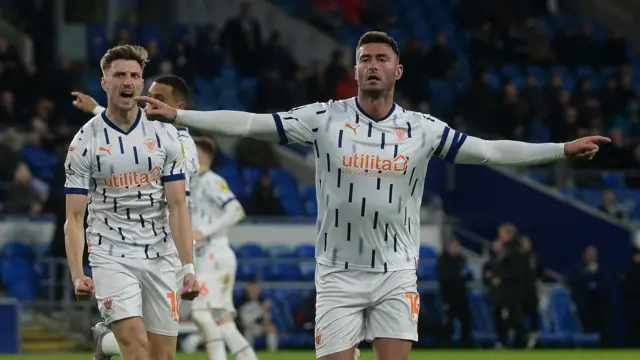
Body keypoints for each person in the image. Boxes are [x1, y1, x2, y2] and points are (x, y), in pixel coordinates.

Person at [134, 31, 610, 360]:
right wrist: (181, 117)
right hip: (338, 273)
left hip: (396, 272)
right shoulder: (324, 118)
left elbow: (487, 152)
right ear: (355, 70)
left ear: (398, 70)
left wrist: (560, 149)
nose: (373, 66)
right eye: (365, 59)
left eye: (382, 59)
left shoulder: (423, 129)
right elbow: (253, 124)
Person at [63, 45, 200, 360]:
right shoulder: (84, 143)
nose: (128, 81)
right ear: (104, 82)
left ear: (141, 83)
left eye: (135, 76)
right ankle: (115, 340)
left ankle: (106, 342)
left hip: (160, 255)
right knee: (137, 350)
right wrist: (77, 274)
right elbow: (74, 216)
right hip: (111, 253)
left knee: (160, 356)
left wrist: (188, 268)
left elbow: (178, 207)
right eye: (119, 75)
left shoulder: (166, 136)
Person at [181, 136, 260, 360]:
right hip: (208, 258)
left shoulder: (213, 180)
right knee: (224, 322)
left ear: (199, 156)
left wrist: (203, 232)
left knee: (200, 313)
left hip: (215, 257)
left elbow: (236, 210)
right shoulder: (194, 183)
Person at [436, 238, 473, 348]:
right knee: (448, 322)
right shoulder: (443, 260)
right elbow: (444, 277)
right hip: (449, 296)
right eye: (453, 246)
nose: (456, 249)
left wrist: (466, 275)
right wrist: (459, 275)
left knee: (466, 320)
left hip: (462, 295)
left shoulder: (461, 259)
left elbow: (469, 276)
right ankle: (445, 344)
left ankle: (465, 343)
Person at [520, 235, 543, 349]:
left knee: (534, 317)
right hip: (520, 293)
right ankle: (523, 339)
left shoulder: (534, 257)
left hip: (532, 293)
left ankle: (534, 340)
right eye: (525, 243)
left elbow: (540, 272)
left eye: (528, 243)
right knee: (518, 318)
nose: (527, 245)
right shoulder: (517, 258)